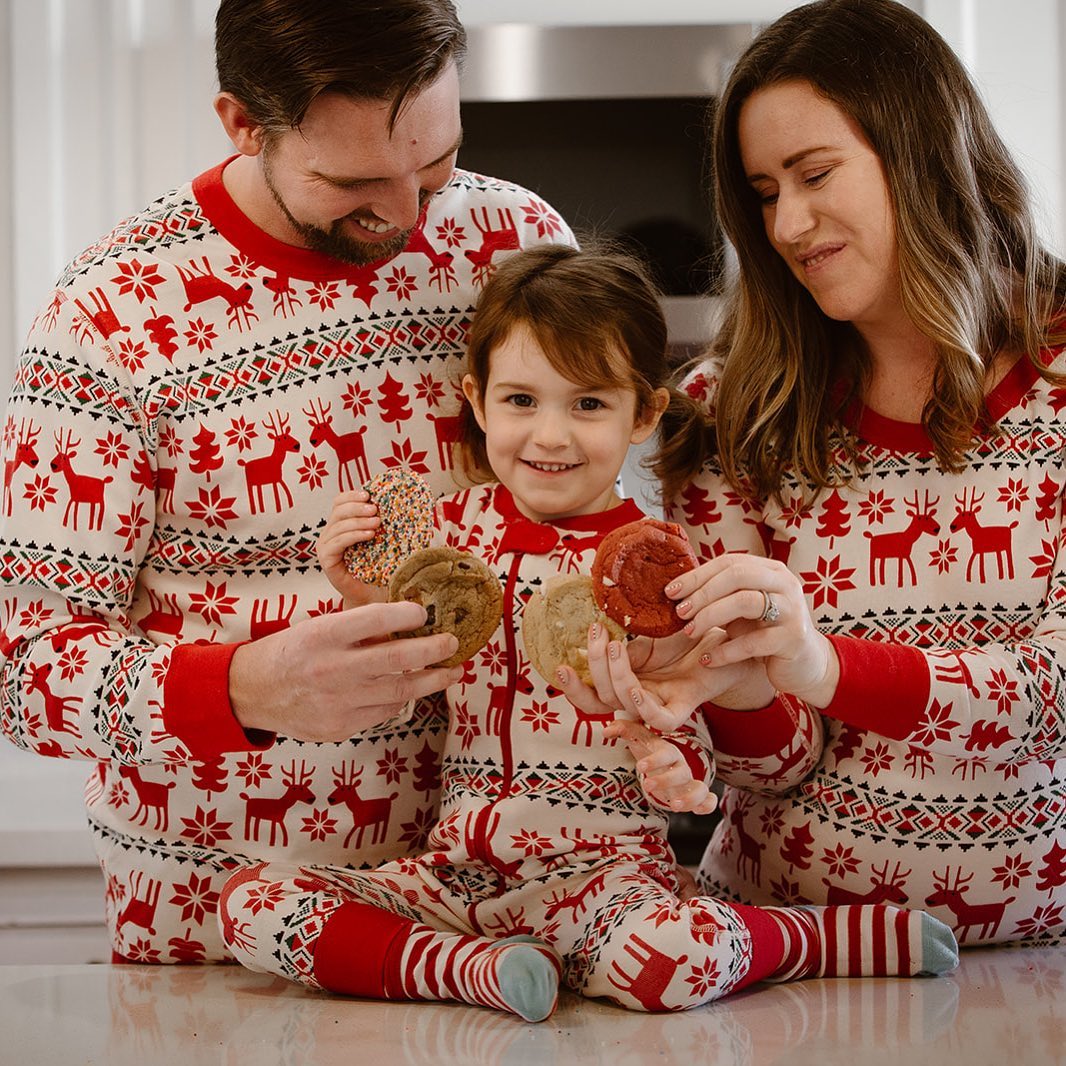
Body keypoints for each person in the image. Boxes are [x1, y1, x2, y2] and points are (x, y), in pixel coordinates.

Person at [217, 244, 957, 1023]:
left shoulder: (671, 572)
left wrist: (682, 764)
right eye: (521, 400)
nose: (551, 436)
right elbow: (388, 711)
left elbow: (776, 761)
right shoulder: (441, 544)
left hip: (606, 887)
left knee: (676, 961)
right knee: (254, 903)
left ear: (645, 413)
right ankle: (474, 972)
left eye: (589, 404)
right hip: (458, 880)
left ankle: (820, 939)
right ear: (476, 398)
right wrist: (366, 604)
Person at [0, 0, 577, 964]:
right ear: (241, 123)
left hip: (506, 910)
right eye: (354, 183)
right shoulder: (106, 312)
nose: (405, 219)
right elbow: (22, 672)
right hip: (218, 934)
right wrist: (245, 688)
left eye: (432, 168)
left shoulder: (512, 241)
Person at [561, 0, 1066, 948]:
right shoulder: (729, 409)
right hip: (771, 959)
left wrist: (825, 663)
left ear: (923, 150)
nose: (788, 224)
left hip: (1033, 967)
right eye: (762, 191)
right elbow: (777, 768)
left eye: (815, 174)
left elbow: (1054, 696)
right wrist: (735, 683)